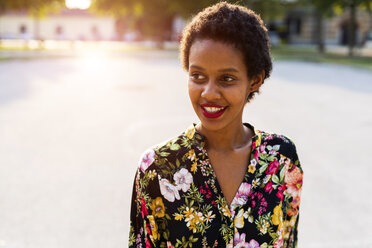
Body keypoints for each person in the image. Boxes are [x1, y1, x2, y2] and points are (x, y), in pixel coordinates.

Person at [129, 2, 303, 248]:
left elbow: (288, 241)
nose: (208, 93)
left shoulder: (280, 158)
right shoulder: (157, 167)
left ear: (255, 80)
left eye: (227, 79)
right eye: (197, 76)